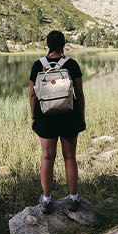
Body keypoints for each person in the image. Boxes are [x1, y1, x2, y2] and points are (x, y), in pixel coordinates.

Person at [29, 30, 86, 213]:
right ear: (63, 44)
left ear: (48, 45)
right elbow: (79, 93)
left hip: (45, 117)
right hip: (69, 115)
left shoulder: (38, 64)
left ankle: (46, 199)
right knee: (70, 157)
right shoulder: (71, 64)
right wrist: (81, 115)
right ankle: (74, 198)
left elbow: (32, 94)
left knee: (47, 156)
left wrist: (33, 117)